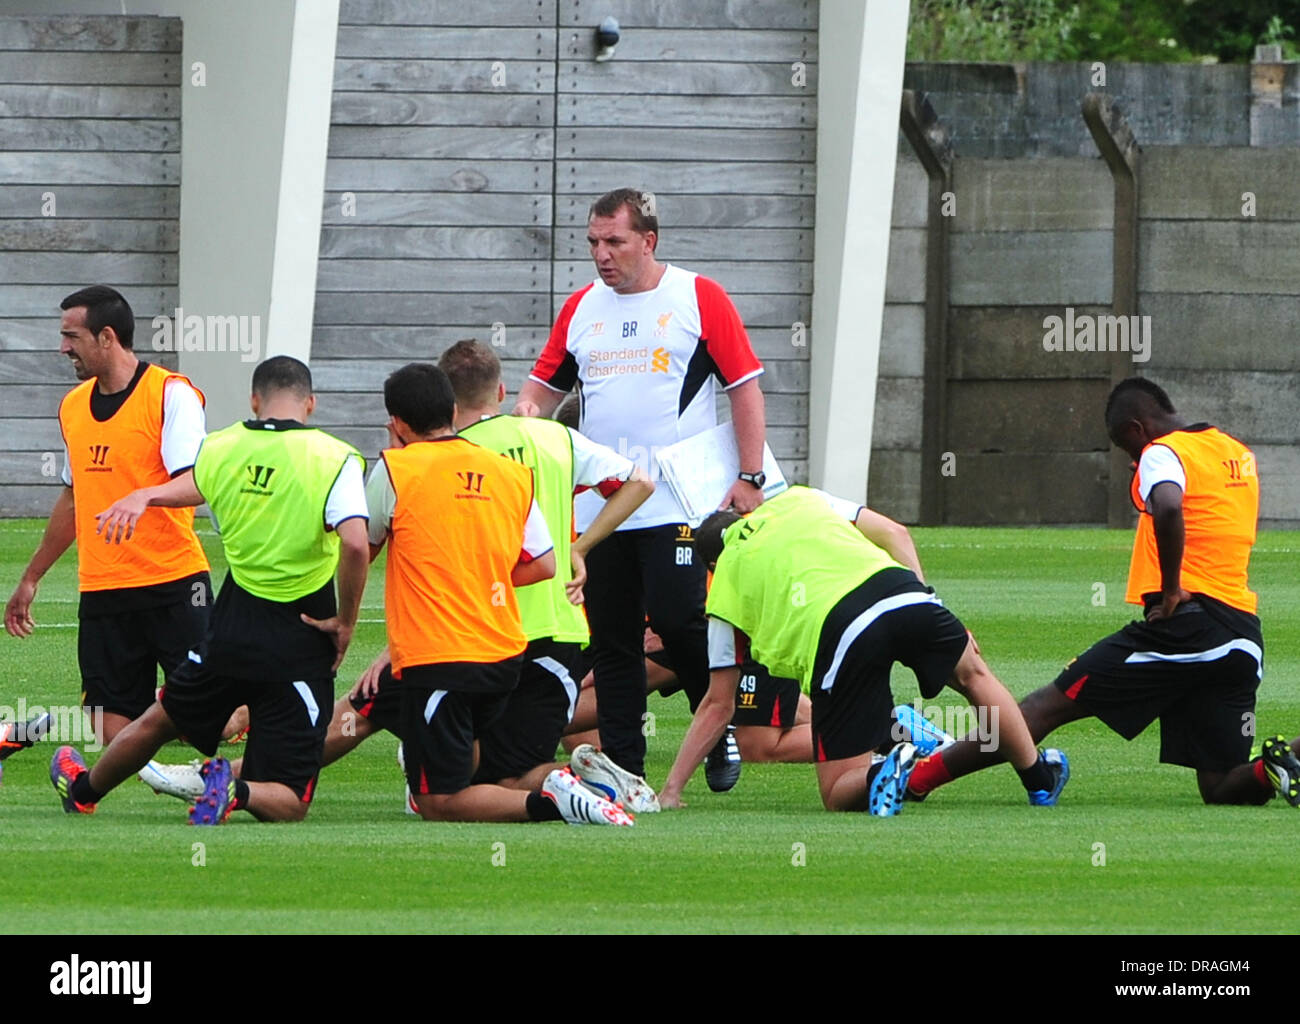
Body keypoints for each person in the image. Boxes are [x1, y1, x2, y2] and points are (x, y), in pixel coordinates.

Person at [906, 377, 1300, 807]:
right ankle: (1276, 766)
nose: (1132, 458)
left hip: (1188, 629)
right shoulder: (1233, 451)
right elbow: (1201, 512)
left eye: (1126, 447)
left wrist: (1170, 591)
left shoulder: (1161, 453)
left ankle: (917, 780)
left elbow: (1169, 506)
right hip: (1241, 636)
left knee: (1044, 706)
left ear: (1137, 429)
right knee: (1223, 786)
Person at [317, 341, 657, 813]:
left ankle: (278, 774)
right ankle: (574, 782)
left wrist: (388, 643)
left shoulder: (430, 457)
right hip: (550, 631)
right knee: (501, 772)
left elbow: (420, 560)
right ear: (500, 389)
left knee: (365, 715)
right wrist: (581, 547)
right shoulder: (553, 439)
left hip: (466, 633)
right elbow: (640, 481)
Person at [512, 187, 769, 783]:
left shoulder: (698, 297)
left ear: (648, 240)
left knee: (682, 619)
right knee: (614, 640)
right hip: (604, 504)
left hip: (680, 497)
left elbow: (745, 387)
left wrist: (749, 476)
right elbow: (541, 390)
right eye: (594, 243)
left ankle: (719, 723)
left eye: (615, 242)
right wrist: (527, 411)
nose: (602, 255)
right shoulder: (581, 307)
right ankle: (625, 764)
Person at [48, 356, 370, 824]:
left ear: (254, 400)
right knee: (290, 799)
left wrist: (145, 495)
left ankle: (84, 789)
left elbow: (192, 488)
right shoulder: (335, 456)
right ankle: (234, 791)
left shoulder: (221, 447)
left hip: (230, 631)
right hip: (300, 639)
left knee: (158, 721)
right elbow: (356, 546)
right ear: (311, 403)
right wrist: (346, 621)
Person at [658, 486, 1066, 814]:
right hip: (904, 593)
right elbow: (896, 533)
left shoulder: (723, 585)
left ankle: (884, 769)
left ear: (710, 566)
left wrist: (672, 789)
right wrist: (932, 603)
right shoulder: (801, 498)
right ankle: (1038, 780)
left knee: (836, 792)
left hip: (841, 634)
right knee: (975, 677)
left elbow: (717, 704)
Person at [4, 286, 210, 749]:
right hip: (104, 587)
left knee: (212, 719)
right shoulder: (73, 407)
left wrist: (144, 497)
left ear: (107, 337)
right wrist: (31, 578)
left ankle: (224, 707)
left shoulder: (170, 395)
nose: (62, 348)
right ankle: (168, 712)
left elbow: (197, 483)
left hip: (174, 581)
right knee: (110, 732)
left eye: (71, 336)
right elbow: (74, 500)